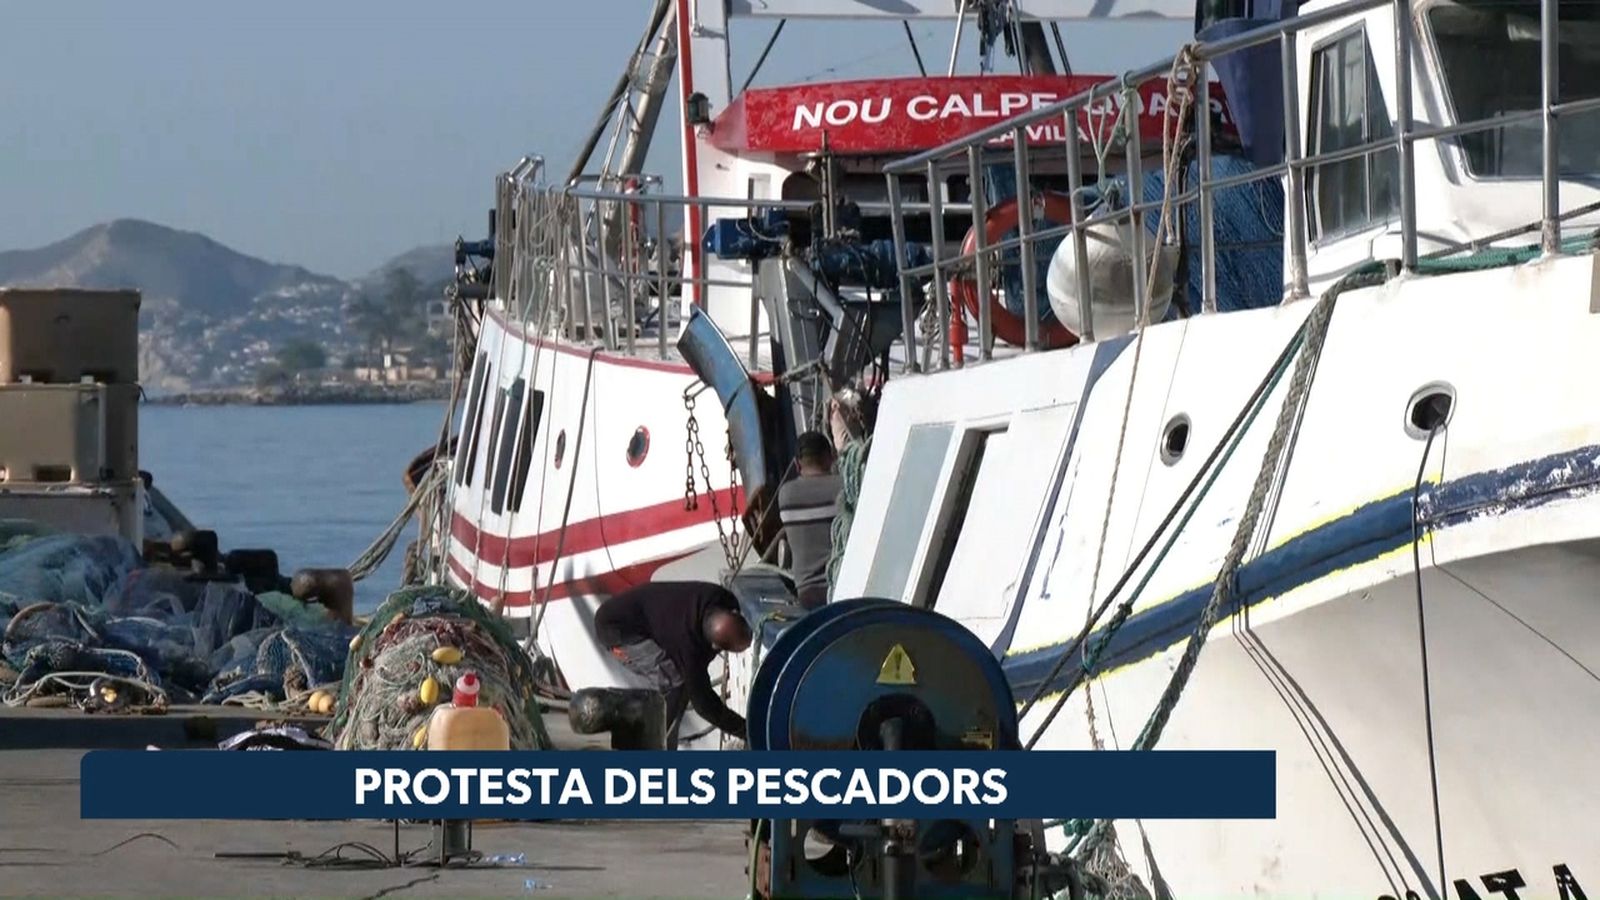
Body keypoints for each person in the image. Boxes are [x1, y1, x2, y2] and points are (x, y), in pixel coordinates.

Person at [593, 580, 752, 749]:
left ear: (735, 613)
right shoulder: (687, 647)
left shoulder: (723, 598)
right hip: (618, 630)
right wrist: (746, 731)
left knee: (684, 682)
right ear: (715, 646)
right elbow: (704, 705)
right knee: (674, 684)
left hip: (648, 615)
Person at [776, 431, 843, 610]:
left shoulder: (785, 495)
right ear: (830, 457)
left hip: (807, 594)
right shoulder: (842, 488)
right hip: (842, 586)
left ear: (798, 464)